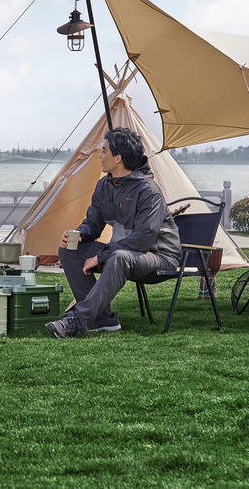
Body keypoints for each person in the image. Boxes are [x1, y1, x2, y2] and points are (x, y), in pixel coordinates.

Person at [46, 127, 182, 338]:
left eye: (104, 150)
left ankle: (77, 321)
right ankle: (103, 320)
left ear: (118, 158)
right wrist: (79, 234)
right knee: (69, 250)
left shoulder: (148, 191)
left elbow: (143, 239)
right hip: (126, 253)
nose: (100, 155)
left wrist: (101, 256)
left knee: (119, 257)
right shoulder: (104, 186)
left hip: (159, 256)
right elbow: (93, 223)